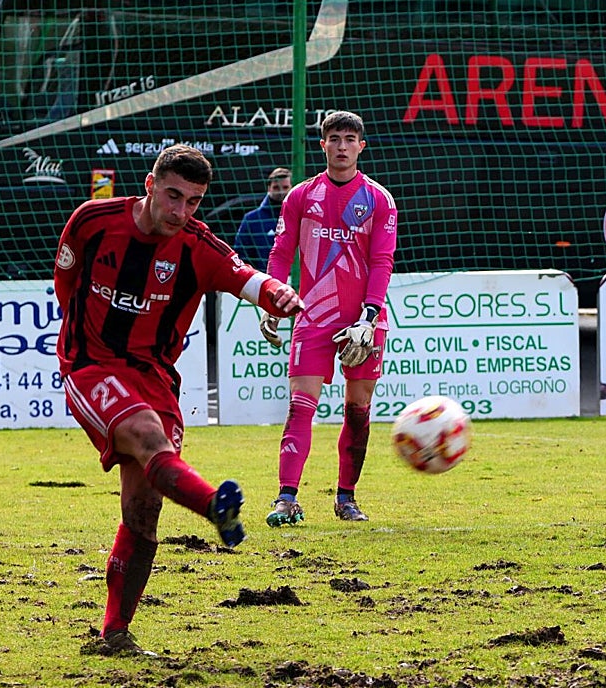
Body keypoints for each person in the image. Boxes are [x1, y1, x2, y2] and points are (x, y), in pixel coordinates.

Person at [54, 144, 304, 654]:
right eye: (172, 196)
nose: (181, 211)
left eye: (193, 202)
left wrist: (278, 293)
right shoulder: (93, 221)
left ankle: (114, 635)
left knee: (143, 510)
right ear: (149, 184)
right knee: (146, 436)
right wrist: (85, 339)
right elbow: (66, 282)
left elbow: (246, 278)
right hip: (92, 363)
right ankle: (214, 506)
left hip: (157, 377)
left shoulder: (196, 244)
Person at [259, 110, 397, 527]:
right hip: (314, 314)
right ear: (323, 145)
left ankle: (346, 498)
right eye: (333, 138)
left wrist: (369, 316)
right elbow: (281, 254)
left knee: (358, 409)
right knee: (301, 408)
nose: (341, 146)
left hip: (362, 319)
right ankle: (286, 499)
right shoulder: (300, 196)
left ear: (361, 146)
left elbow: (381, 261)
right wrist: (272, 300)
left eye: (349, 139)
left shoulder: (378, 199)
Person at [233, 166, 292, 272]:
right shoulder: (251, 219)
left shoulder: (302, 217)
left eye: (285, 187)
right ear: (269, 188)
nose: (281, 192)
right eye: (276, 188)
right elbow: (242, 253)